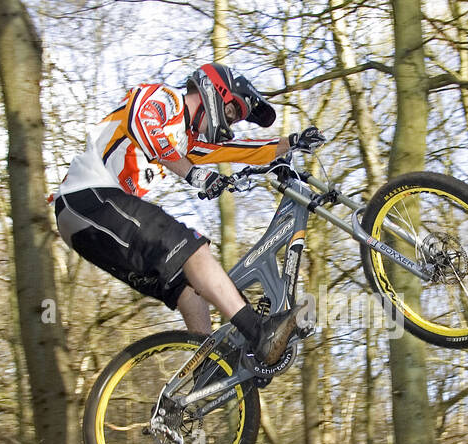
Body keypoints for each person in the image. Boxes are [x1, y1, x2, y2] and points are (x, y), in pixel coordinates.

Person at [52, 62, 323, 364]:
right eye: (232, 111)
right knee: (192, 248)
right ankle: (260, 332)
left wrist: (292, 143)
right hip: (88, 198)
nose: (230, 123)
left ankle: (208, 370)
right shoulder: (165, 99)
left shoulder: (187, 142)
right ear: (214, 92)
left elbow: (241, 149)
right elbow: (143, 124)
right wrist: (195, 175)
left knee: (188, 288)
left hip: (94, 231)